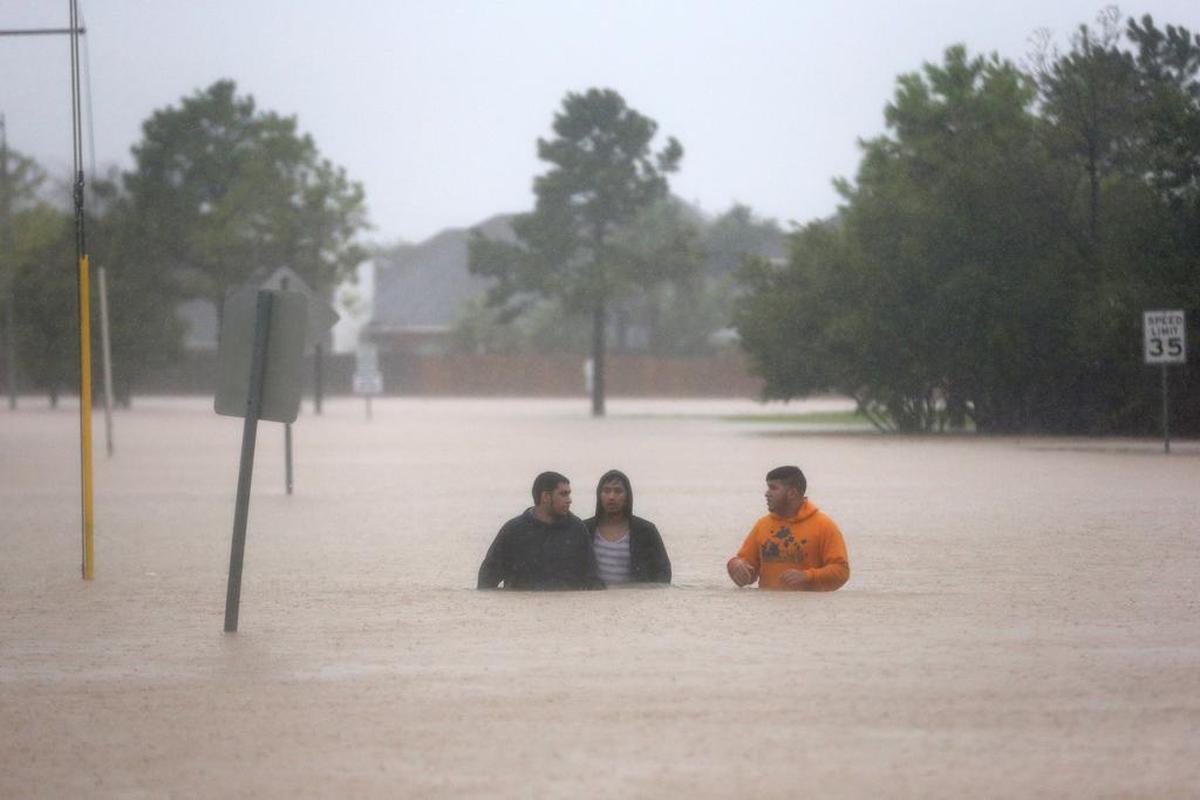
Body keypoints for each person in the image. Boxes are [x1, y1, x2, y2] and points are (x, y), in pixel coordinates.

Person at [727, 465, 849, 591]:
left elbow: (842, 571)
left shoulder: (824, 525)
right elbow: (747, 568)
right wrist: (735, 566)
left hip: (809, 608)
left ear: (792, 493)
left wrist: (807, 576)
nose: (766, 494)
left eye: (773, 488)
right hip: (767, 608)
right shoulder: (762, 525)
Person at [478, 471, 604, 590]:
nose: (569, 500)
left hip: (566, 608)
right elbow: (487, 579)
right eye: (563, 494)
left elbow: (593, 578)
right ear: (545, 496)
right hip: (522, 609)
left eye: (569, 494)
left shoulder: (577, 529)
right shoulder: (513, 530)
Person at [583, 469, 671, 585]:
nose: (611, 497)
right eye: (606, 491)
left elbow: (663, 572)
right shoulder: (585, 529)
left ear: (627, 496)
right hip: (595, 599)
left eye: (618, 491)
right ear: (599, 495)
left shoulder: (646, 530)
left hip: (633, 599)